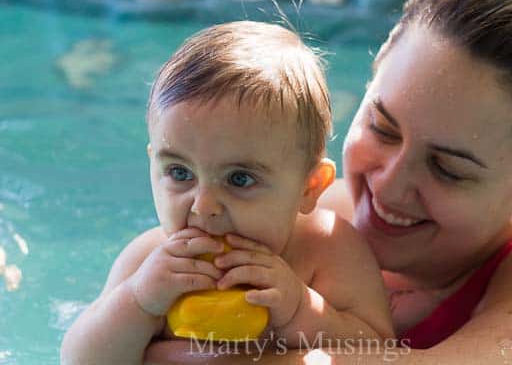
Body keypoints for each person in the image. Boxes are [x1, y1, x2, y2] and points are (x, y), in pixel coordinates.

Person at [143, 0, 512, 363]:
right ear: (375, 66)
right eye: (383, 128)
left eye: (449, 169)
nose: (388, 187)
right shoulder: (295, 217)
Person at [60, 21, 395, 365]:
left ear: (308, 187)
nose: (203, 207)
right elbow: (79, 359)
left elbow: (380, 351)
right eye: (179, 173)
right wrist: (139, 302)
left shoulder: (330, 251)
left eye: (239, 179)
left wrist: (300, 310)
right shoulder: (147, 262)